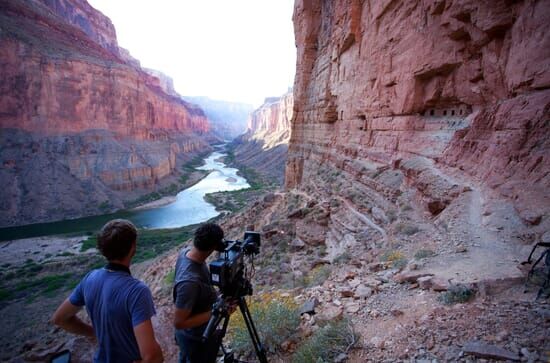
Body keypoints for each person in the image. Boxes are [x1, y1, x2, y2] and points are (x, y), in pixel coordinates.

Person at [51, 219, 163, 363]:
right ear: (133, 247)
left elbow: (60, 319)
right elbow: (152, 357)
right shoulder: (137, 291)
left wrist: (95, 332)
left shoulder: (90, 278)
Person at [173, 223, 235, 363]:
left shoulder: (186, 253)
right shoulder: (189, 283)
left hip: (194, 336)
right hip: (196, 339)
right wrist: (216, 312)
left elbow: (200, 294)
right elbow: (179, 322)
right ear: (215, 246)